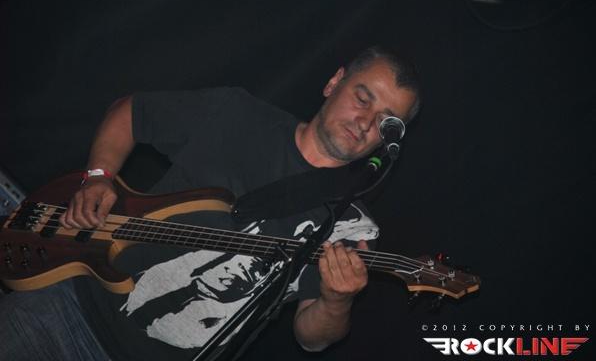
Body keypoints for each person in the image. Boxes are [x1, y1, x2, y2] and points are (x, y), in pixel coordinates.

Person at [0, 46, 420, 361]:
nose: (366, 122)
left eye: (386, 122)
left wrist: (336, 300)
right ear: (334, 82)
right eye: (362, 98)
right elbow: (131, 113)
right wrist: (98, 177)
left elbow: (312, 339)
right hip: (68, 309)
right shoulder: (237, 115)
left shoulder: (350, 226)